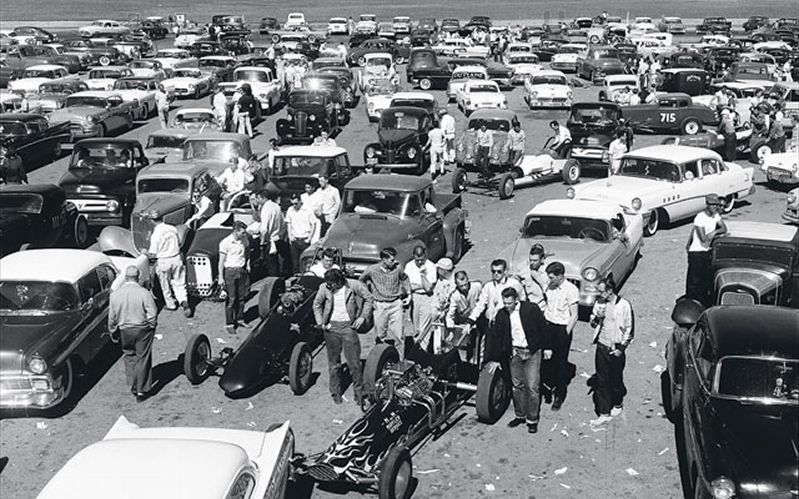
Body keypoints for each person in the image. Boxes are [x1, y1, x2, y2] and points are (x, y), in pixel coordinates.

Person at [484, 287, 550, 433]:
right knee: (517, 385)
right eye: (504, 303)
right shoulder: (502, 315)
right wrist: (495, 358)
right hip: (515, 353)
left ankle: (532, 419)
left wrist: (547, 348)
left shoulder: (531, 309)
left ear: (516, 300)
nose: (506, 306)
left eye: (509, 303)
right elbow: (497, 336)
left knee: (532, 386)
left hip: (532, 352)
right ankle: (520, 415)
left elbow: (543, 328)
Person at [313, 268, 374, 405]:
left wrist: (363, 317)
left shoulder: (353, 285)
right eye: (328, 284)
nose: (329, 286)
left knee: (355, 364)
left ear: (339, 281)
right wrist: (321, 323)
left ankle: (359, 394)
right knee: (334, 364)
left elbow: (369, 298)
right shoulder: (324, 288)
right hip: (331, 329)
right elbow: (316, 305)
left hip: (348, 328)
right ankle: (335, 392)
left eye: (332, 284)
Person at [589, 275, 634, 426]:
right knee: (602, 381)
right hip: (602, 346)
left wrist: (621, 348)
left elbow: (629, 328)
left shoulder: (624, 305)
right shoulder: (599, 304)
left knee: (615, 379)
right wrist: (597, 317)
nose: (599, 294)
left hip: (615, 348)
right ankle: (604, 412)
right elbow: (593, 323)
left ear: (609, 291)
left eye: (601, 291)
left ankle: (617, 403)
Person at [108, 266, 158, 402]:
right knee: (143, 358)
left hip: (125, 330)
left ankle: (133, 384)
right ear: (138, 277)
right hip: (142, 329)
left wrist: (113, 332)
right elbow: (152, 313)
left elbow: (112, 318)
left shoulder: (115, 295)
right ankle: (141, 390)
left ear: (125, 278)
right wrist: (152, 325)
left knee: (129, 356)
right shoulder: (144, 293)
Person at [359, 247, 411, 358]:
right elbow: (361, 281)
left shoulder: (398, 268)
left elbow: (405, 278)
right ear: (383, 259)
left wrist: (409, 293)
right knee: (379, 336)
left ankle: (400, 360)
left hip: (396, 304)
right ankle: (380, 360)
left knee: (399, 335)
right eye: (391, 260)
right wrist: (368, 296)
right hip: (380, 305)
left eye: (394, 259)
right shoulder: (372, 270)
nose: (394, 262)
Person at [542, 261, 579, 410]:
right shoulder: (550, 287)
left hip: (562, 328)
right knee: (546, 360)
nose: (549, 280)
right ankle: (547, 388)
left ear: (560, 276)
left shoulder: (571, 290)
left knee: (560, 362)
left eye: (552, 277)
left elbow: (574, 315)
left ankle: (560, 394)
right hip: (549, 325)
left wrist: (565, 333)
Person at [685, 194, 727, 306]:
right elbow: (703, 238)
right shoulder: (700, 217)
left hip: (706, 252)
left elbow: (723, 228)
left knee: (705, 280)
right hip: (697, 253)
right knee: (694, 281)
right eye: (712, 205)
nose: (715, 207)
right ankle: (691, 303)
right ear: (707, 205)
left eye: (716, 205)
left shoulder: (716, 216)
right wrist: (711, 234)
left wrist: (714, 232)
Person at [147, 214, 191, 317]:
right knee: (179, 282)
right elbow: (179, 242)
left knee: (165, 284)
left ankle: (171, 304)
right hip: (176, 257)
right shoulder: (172, 228)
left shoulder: (156, 234)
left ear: (152, 221)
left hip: (164, 260)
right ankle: (184, 301)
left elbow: (153, 252)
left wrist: (145, 253)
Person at [468, 259, 527, 326]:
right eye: (493, 271)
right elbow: (480, 304)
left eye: (499, 271)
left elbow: (522, 299)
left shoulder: (514, 283)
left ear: (505, 271)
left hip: (509, 321)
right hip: (492, 322)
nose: (496, 274)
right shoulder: (488, 286)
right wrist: (471, 320)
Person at [218, 220, 251, 334]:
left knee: (241, 298)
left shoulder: (244, 240)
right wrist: (221, 277)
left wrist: (248, 263)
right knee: (231, 299)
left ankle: (240, 318)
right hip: (230, 272)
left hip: (241, 271)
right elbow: (221, 262)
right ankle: (229, 323)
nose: (244, 234)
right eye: (242, 232)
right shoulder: (225, 242)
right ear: (235, 231)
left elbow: (247, 251)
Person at [404, 245, 438, 348]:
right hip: (414, 297)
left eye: (422, 260)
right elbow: (407, 286)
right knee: (416, 328)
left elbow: (428, 288)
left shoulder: (431, 266)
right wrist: (420, 286)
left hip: (426, 297)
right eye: (417, 260)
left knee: (424, 327)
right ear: (413, 256)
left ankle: (423, 348)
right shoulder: (409, 266)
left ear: (425, 255)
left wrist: (423, 275)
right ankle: (417, 347)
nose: (419, 262)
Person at [285, 192, 319, 273]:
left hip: (304, 239)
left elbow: (314, 224)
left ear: (300, 201)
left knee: (304, 263)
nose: (294, 206)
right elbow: (288, 223)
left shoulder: (307, 210)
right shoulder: (290, 210)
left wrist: (310, 238)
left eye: (296, 203)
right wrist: (290, 235)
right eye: (292, 203)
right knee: (295, 263)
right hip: (294, 239)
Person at [258, 189, 283, 276]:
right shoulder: (276, 206)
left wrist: (261, 243)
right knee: (276, 265)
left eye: (258, 199)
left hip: (269, 241)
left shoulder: (265, 208)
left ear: (261, 198)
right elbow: (282, 222)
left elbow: (264, 229)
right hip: (277, 238)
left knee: (270, 266)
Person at [520, 244, 548, 310]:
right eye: (530, 260)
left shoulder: (547, 272)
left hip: (543, 307)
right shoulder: (525, 270)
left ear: (542, 260)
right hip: (529, 306)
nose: (532, 263)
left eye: (535, 260)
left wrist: (538, 278)